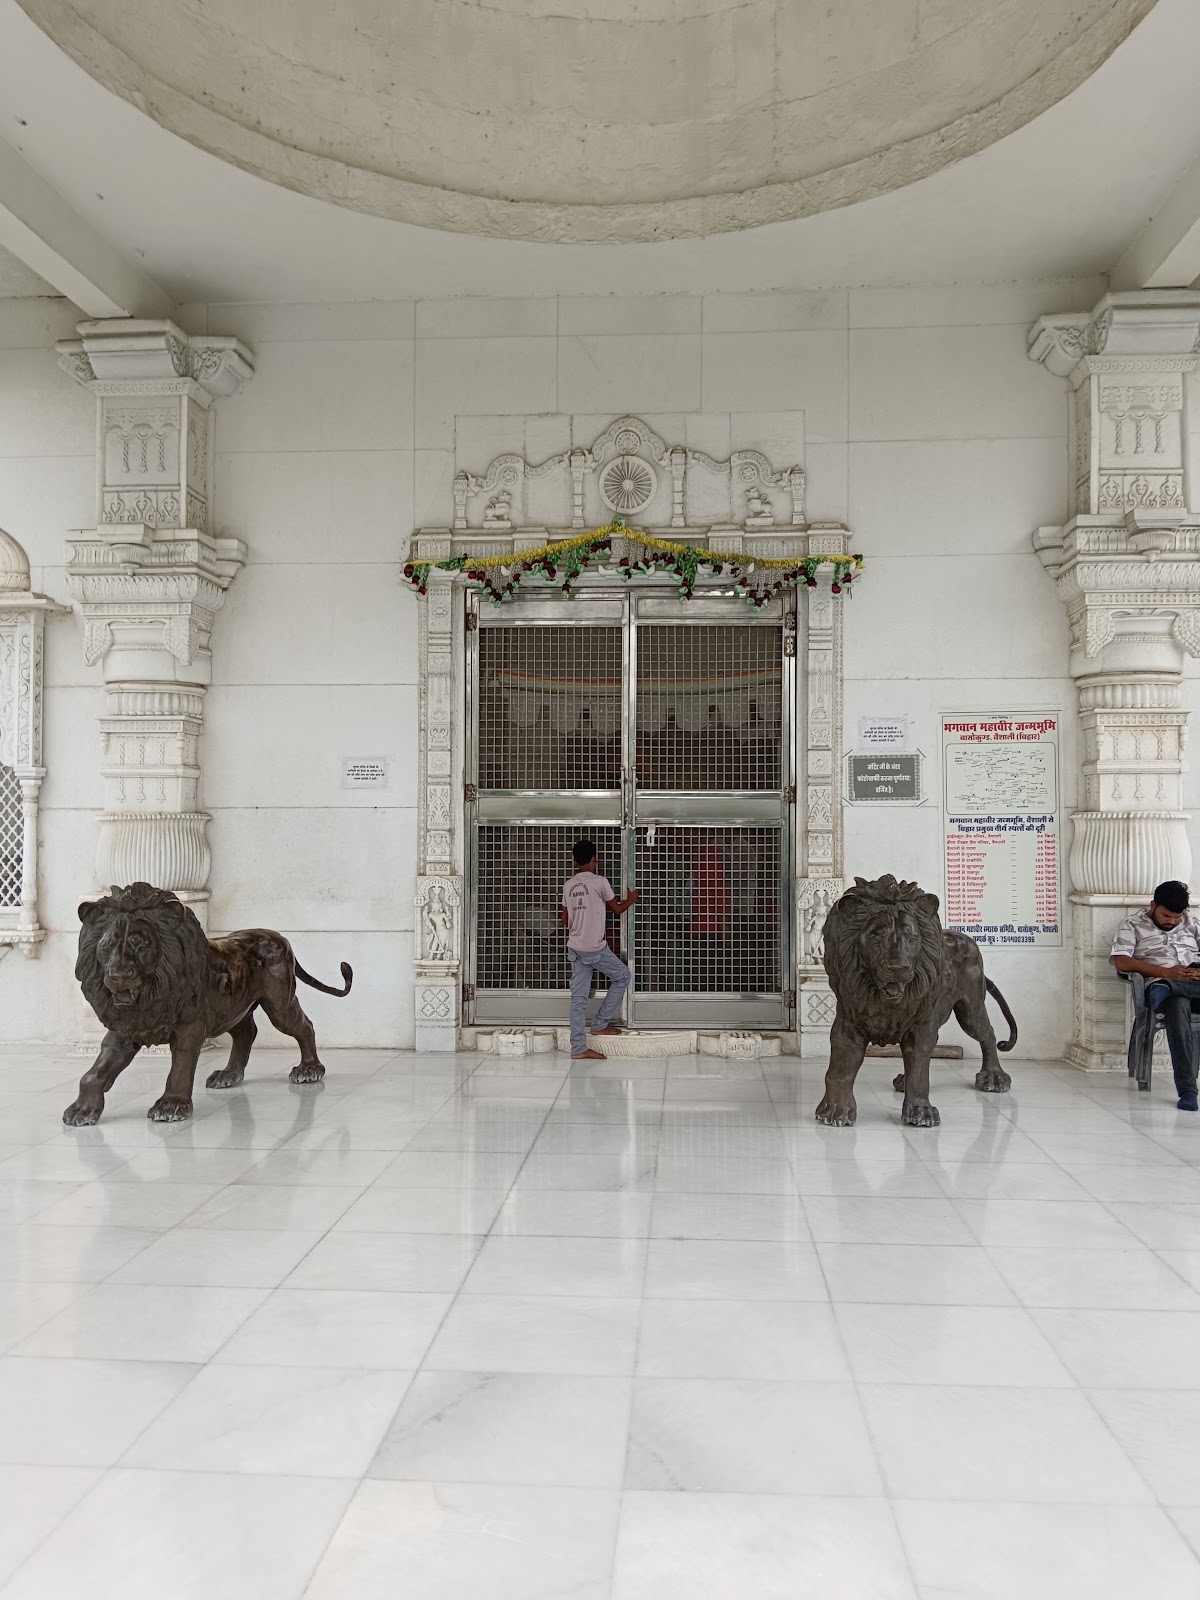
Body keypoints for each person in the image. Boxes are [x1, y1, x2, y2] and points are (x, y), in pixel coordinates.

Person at [1111, 880, 1200, 1110]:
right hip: (1156, 984)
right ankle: (1188, 1090)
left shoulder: (1193, 924)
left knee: (1175, 993)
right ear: (1153, 905)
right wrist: (1166, 973)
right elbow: (1121, 960)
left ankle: (1172, 987)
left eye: (1176, 917)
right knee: (1177, 1005)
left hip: (1191, 986)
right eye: (1166, 915)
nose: (1171, 921)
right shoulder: (1132, 924)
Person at [561, 838, 639, 1061]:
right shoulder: (600, 882)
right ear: (595, 859)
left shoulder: (568, 885)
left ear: (575, 861)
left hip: (575, 947)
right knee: (623, 976)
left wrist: (581, 916)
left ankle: (578, 1048)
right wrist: (631, 899)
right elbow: (617, 909)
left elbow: (565, 919)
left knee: (578, 999)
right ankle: (600, 1024)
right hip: (594, 948)